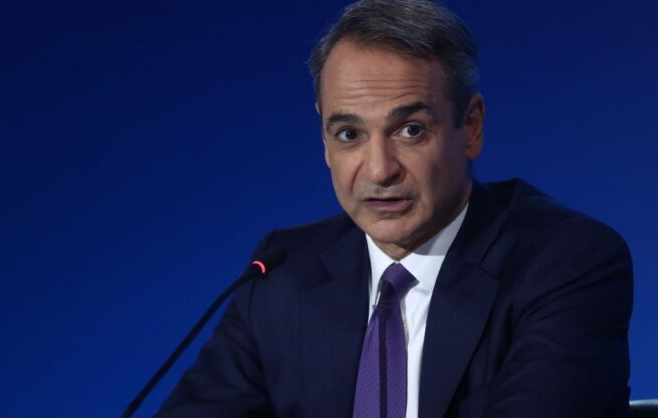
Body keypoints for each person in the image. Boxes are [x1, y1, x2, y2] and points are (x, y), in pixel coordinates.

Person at [157, 0, 632, 417]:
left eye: (410, 130)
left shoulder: (565, 262)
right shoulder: (280, 275)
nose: (380, 170)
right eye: (350, 134)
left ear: (470, 128)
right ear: (324, 140)